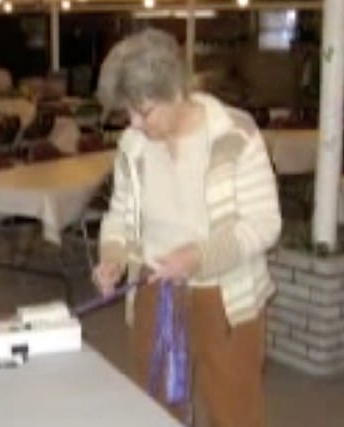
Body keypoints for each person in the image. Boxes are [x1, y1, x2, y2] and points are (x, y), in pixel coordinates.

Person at [93, 29, 281, 427]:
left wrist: (199, 256)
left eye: (142, 111)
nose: (133, 123)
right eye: (127, 112)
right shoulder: (133, 144)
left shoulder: (235, 134)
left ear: (176, 91)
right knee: (157, 409)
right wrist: (112, 256)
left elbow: (265, 224)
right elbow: (119, 214)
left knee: (235, 412)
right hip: (154, 290)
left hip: (225, 296)